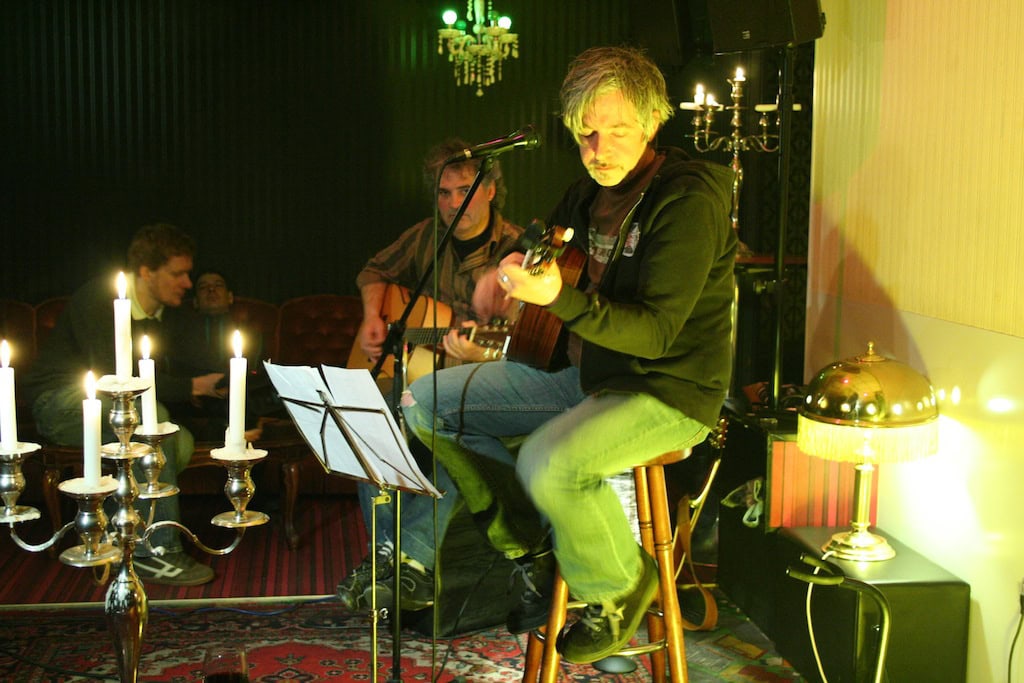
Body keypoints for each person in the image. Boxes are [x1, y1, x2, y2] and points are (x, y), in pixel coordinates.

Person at [402, 46, 736, 658]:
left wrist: (556, 297)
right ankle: (531, 544)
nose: (598, 149)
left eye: (616, 131)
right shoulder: (586, 195)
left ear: (652, 122)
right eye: (585, 133)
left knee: (549, 463)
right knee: (425, 402)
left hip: (667, 390)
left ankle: (621, 585)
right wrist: (505, 271)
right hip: (584, 375)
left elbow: (655, 334)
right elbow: (540, 245)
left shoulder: (689, 201)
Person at [336, 138, 524, 613]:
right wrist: (373, 317)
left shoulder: (518, 249)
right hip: (420, 376)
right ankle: (389, 559)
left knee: (446, 429)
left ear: (491, 191)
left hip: (483, 384)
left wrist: (481, 350)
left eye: (465, 191)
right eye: (444, 193)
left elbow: (524, 342)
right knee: (365, 422)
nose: (454, 204)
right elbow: (373, 272)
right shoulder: (425, 237)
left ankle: (406, 561)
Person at [23, 223, 224, 586]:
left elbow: (158, 378)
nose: (187, 283)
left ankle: (125, 530)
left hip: (113, 408)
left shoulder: (162, 315)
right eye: (177, 273)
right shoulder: (99, 299)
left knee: (178, 441)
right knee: (149, 418)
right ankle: (155, 551)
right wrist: (191, 386)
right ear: (147, 272)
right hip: (61, 403)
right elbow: (114, 380)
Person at [162, 269, 277, 442]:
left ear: (230, 297)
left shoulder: (249, 333)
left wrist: (231, 386)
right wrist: (193, 388)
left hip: (240, 394)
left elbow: (256, 368)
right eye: (203, 287)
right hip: (196, 398)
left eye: (218, 285)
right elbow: (176, 368)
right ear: (196, 301)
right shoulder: (180, 333)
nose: (211, 290)